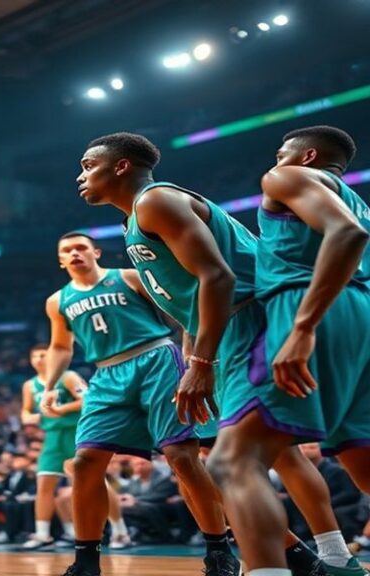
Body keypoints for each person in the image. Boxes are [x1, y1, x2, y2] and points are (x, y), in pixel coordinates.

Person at [76, 131, 364, 576]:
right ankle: (324, 558)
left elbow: (218, 278)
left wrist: (201, 364)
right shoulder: (137, 216)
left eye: (88, 165)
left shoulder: (156, 202)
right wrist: (195, 351)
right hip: (230, 327)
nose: (81, 176)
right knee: (267, 451)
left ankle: (319, 559)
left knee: (241, 458)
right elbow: (193, 299)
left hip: (249, 320)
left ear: (120, 167)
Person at [205, 125, 370, 576]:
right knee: (362, 459)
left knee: (231, 459)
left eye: (281, 153)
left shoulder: (287, 177)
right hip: (360, 315)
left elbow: (347, 234)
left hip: (311, 307)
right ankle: (339, 562)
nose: (275, 162)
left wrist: (302, 326)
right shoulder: (356, 198)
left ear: (307, 155)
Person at [42, 232, 236, 576]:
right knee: (86, 461)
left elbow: (180, 310)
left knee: (182, 457)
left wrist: (193, 357)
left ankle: (219, 550)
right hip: (106, 375)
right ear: (59, 260)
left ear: (95, 252)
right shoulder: (58, 301)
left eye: (80, 248)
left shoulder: (128, 277)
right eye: (66, 250)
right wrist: (49, 385)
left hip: (155, 358)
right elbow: (60, 347)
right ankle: (86, 561)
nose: (74, 254)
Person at [20, 344, 85, 549]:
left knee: (85, 486)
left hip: (76, 433)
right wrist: (31, 417)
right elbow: (25, 412)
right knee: (44, 486)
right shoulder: (30, 385)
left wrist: (60, 409)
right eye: (34, 356)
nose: (39, 358)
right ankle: (42, 535)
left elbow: (88, 399)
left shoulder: (68, 376)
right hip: (52, 437)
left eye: (43, 355)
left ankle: (113, 531)